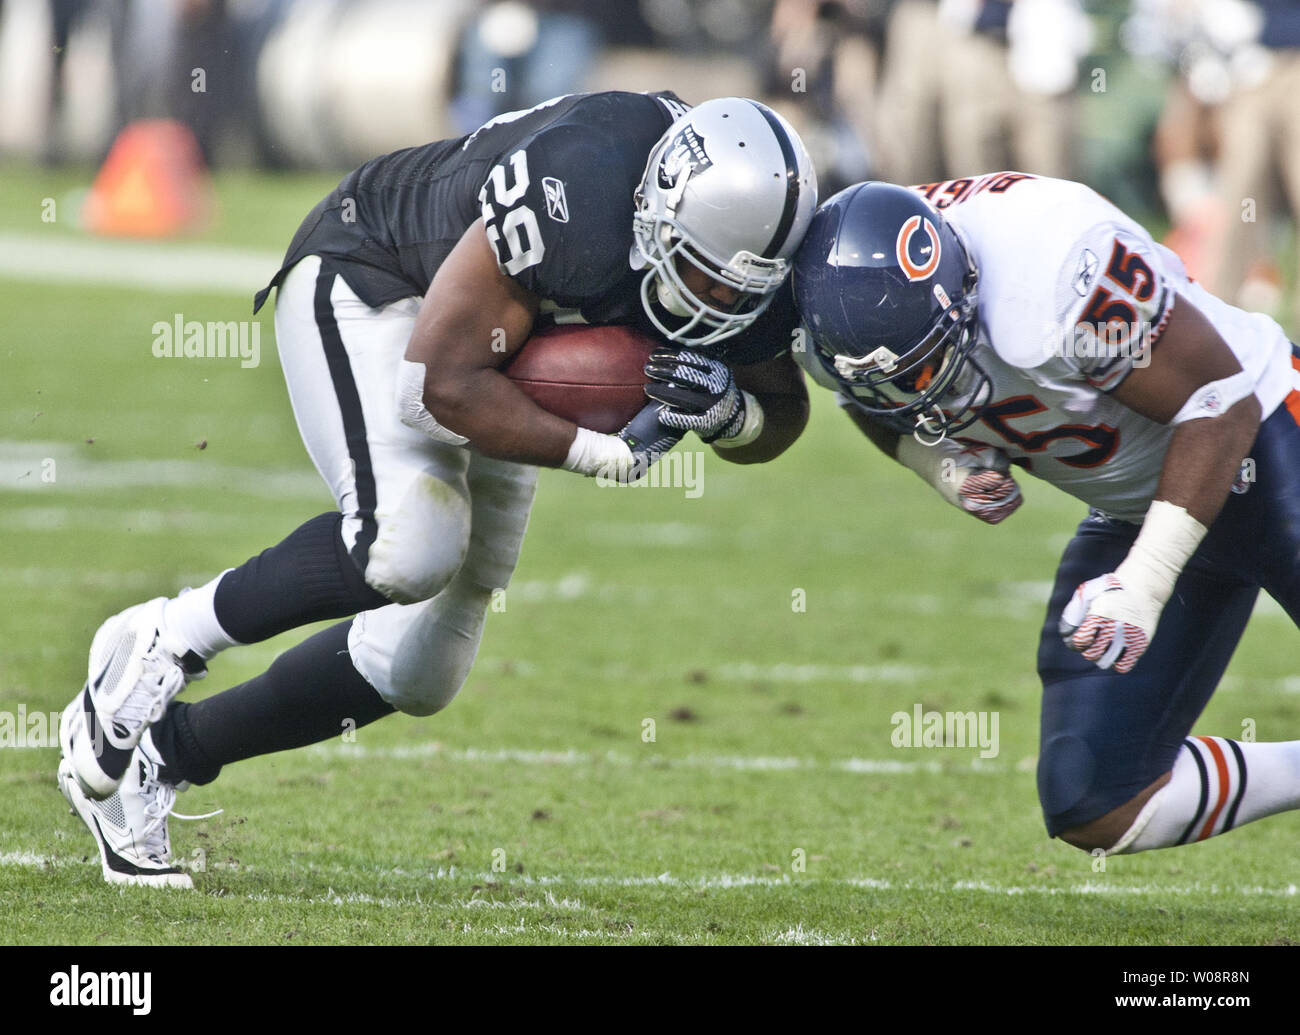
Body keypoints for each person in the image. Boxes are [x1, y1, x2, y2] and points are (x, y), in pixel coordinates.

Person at [58, 91, 818, 887]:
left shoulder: (749, 249)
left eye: (740, 290)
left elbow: (784, 409)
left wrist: (733, 416)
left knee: (421, 669)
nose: (715, 303)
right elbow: (435, 384)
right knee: (407, 543)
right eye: (700, 272)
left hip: (503, 345)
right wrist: (601, 453)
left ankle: (165, 755)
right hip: (380, 279)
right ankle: (161, 637)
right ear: (659, 210)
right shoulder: (580, 187)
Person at [791, 175, 1300, 857]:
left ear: (960, 285)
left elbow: (1220, 399)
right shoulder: (839, 302)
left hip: (1262, 437)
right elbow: (866, 397)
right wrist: (937, 463)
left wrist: (1147, 580)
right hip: (1139, 505)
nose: (922, 390)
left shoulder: (1056, 272)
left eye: (926, 364)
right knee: (1096, 796)